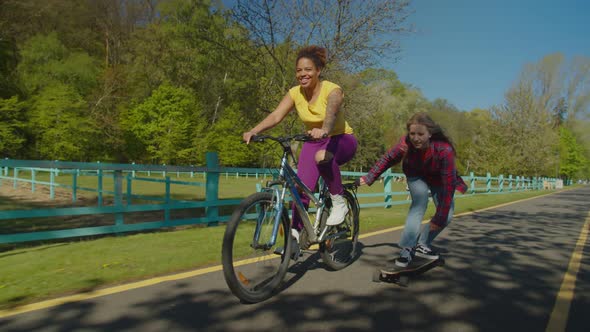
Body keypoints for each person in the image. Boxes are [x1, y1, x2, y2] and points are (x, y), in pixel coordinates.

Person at [243, 45, 358, 249]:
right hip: (313, 142)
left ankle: (339, 203)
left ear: (318, 71)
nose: (302, 74)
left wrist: (324, 128)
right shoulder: (295, 93)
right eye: (299, 70)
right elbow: (276, 116)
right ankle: (294, 238)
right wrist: (254, 130)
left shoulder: (332, 89)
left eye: (308, 69)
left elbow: (332, 109)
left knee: (323, 156)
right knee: (299, 188)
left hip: (340, 140)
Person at [356, 112, 467, 267]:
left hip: (439, 179)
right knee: (418, 204)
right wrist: (369, 177)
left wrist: (439, 218)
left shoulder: (444, 150)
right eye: (412, 133)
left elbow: (449, 185)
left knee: (446, 215)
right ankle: (407, 249)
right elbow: (387, 159)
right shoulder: (405, 144)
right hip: (415, 174)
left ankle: (423, 243)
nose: (416, 138)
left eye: (420, 134)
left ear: (430, 134)